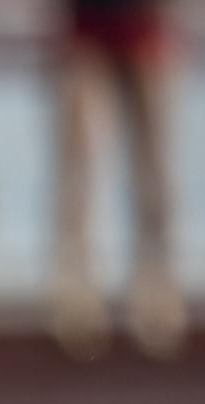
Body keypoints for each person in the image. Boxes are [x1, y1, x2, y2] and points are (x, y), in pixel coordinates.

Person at [52, 0, 186, 360]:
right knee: (78, 176)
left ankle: (157, 296)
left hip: (146, 33)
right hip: (85, 36)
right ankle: (75, 300)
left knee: (155, 176)